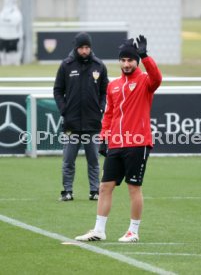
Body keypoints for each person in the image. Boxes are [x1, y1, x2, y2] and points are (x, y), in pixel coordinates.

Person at [75, 35, 162, 242]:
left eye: (130, 60)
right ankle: (99, 230)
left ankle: (133, 231)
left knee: (134, 188)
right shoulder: (113, 86)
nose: (126, 64)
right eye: (122, 60)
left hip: (138, 143)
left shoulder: (144, 82)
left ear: (136, 61)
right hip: (116, 144)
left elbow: (157, 78)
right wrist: (105, 137)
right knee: (105, 187)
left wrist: (145, 56)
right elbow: (109, 114)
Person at [54, 32, 108, 201]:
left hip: (92, 122)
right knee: (68, 160)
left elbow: (104, 91)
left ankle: (94, 191)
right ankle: (67, 191)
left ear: (90, 47)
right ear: (76, 48)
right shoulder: (66, 65)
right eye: (81, 48)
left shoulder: (99, 66)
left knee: (93, 160)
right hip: (71, 123)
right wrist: (64, 109)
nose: (84, 51)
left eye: (87, 47)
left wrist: (100, 108)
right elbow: (57, 90)